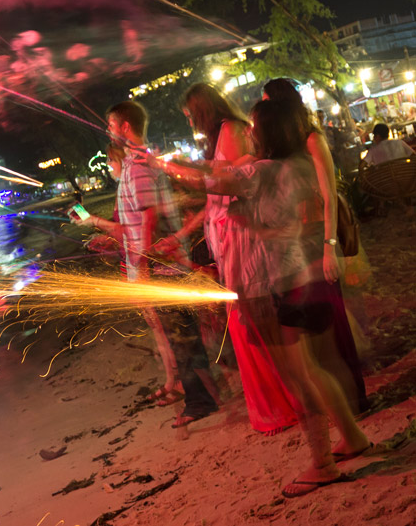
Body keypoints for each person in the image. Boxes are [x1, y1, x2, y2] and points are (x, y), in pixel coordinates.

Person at [155, 99, 370, 498]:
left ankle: (322, 464)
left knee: (298, 377)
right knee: (316, 368)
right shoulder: (298, 165)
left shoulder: (264, 171)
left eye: (255, 125)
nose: (248, 131)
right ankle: (353, 437)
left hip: (271, 283)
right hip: (301, 275)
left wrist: (162, 166)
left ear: (270, 130)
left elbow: (213, 183)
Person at [168, 83, 300, 435]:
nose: (189, 121)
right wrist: (184, 233)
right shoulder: (223, 135)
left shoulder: (232, 130)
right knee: (243, 323)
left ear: (202, 109)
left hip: (242, 238)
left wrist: (177, 170)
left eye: (191, 114)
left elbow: (222, 182)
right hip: (229, 239)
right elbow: (214, 188)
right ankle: (275, 405)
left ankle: (282, 405)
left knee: (250, 322)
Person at [105, 101, 218, 427]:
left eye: (112, 125)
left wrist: (141, 262)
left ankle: (202, 401)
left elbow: (149, 216)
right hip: (160, 262)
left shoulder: (139, 166)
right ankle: (201, 396)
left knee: (181, 335)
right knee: (180, 334)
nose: (109, 131)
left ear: (125, 126)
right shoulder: (136, 164)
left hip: (161, 265)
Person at [263, 79, 367, 414]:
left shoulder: (312, 138)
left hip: (318, 240)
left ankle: (355, 403)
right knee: (319, 330)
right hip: (298, 245)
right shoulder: (286, 144)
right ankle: (339, 402)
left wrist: (329, 248)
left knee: (333, 323)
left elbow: (328, 197)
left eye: (265, 102)